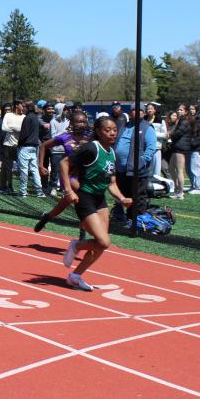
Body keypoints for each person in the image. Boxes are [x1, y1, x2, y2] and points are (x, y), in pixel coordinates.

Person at [58, 117, 133, 290]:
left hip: (100, 199)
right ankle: (77, 245)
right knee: (104, 241)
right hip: (85, 198)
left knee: (100, 246)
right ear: (98, 131)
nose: (112, 133)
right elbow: (64, 163)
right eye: (107, 130)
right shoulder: (91, 148)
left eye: (114, 130)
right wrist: (68, 190)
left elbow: (111, 183)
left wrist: (122, 198)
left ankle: (75, 276)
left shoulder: (112, 153)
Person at [34, 110, 91, 231]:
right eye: (79, 122)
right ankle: (83, 233)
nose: (82, 124)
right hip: (68, 176)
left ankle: (46, 217)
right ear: (71, 123)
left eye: (84, 122)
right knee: (84, 197)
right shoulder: (65, 137)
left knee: (64, 203)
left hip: (84, 176)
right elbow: (44, 145)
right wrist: (41, 165)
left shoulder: (90, 137)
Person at [16, 100, 45, 197]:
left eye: (23, 106)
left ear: (28, 108)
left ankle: (23, 191)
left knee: (24, 169)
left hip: (25, 146)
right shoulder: (35, 118)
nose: (22, 108)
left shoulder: (27, 118)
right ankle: (39, 191)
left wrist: (18, 144)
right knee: (34, 169)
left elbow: (24, 134)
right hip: (34, 146)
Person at [0, 101, 24, 194]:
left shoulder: (24, 117)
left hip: (19, 145)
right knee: (8, 168)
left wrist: (12, 127)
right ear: (17, 105)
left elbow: (23, 130)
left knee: (22, 168)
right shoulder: (8, 115)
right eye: (22, 105)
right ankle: (8, 186)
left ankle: (23, 188)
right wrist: (17, 128)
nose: (23, 107)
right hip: (8, 145)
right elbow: (4, 128)